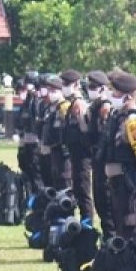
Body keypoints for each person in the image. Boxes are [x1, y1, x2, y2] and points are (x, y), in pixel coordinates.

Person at [103, 71, 136, 259]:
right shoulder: (118, 117)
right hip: (119, 186)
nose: (111, 97)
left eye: (115, 93)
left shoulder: (133, 122)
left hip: (131, 187)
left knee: (134, 235)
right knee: (123, 233)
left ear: (129, 96)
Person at [58, 69, 95, 224]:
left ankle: (87, 224)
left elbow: (85, 130)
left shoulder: (78, 105)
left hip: (82, 156)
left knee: (83, 191)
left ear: (77, 85)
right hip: (75, 155)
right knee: (79, 191)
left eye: (67, 84)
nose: (64, 87)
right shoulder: (72, 104)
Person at [86, 70, 116, 238]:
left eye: (94, 87)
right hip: (96, 160)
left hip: (104, 162)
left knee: (106, 202)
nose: (90, 89)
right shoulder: (94, 107)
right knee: (99, 202)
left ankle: (111, 238)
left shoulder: (105, 107)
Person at [38, 76, 67, 191]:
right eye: (49, 90)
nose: (50, 94)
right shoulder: (50, 107)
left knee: (62, 185)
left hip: (61, 153)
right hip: (51, 151)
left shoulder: (64, 107)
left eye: (53, 91)